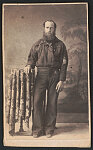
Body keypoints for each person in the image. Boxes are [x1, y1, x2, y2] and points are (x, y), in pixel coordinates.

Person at [25, 20, 68, 138]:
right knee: (37, 101)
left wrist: (61, 80)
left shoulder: (61, 45)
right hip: (41, 75)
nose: (49, 30)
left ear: (55, 29)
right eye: (47, 27)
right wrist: (29, 65)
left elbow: (64, 63)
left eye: (52, 28)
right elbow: (31, 59)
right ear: (44, 28)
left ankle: (49, 128)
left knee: (52, 102)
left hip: (55, 75)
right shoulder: (37, 44)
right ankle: (37, 129)